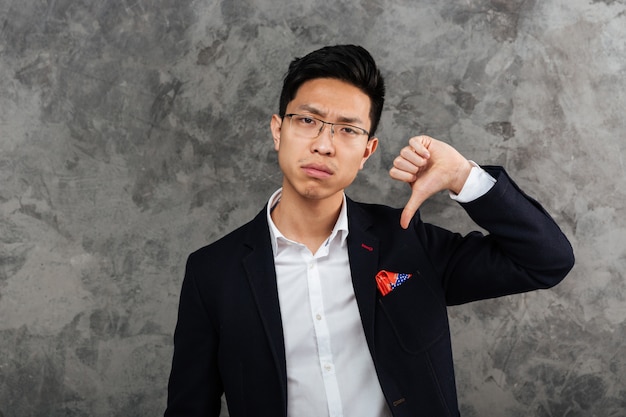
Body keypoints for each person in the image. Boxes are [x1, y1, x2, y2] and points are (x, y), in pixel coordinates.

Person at [164, 45, 574, 417]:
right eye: (307, 120)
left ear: (367, 151)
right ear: (278, 130)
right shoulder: (212, 272)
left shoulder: (406, 242)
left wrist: (464, 177)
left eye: (347, 129)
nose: (324, 144)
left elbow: (546, 261)